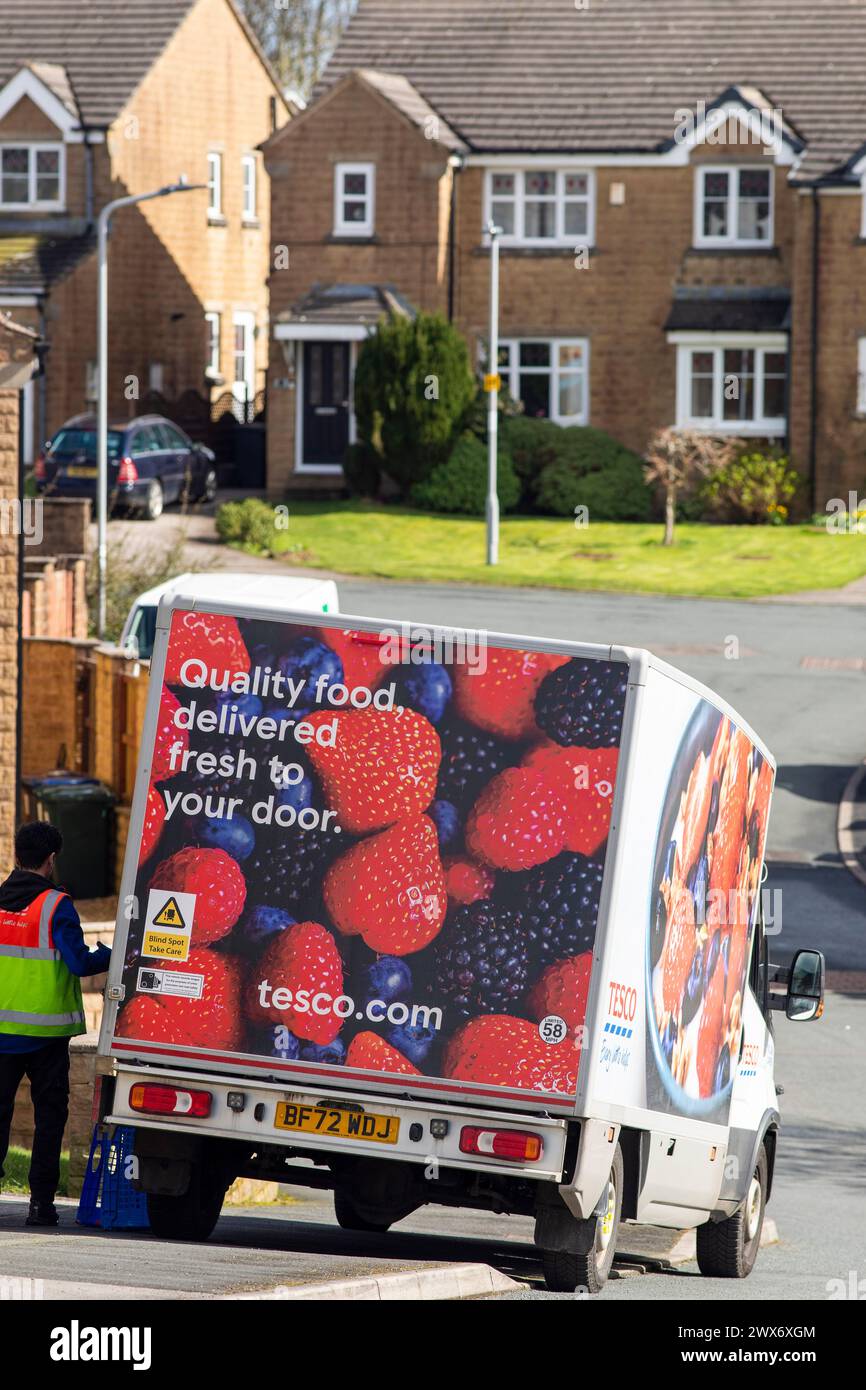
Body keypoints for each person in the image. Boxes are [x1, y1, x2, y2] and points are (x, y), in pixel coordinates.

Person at [0, 822, 110, 1226]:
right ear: (51, 859)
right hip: (45, 1038)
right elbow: (80, 963)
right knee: (49, 1121)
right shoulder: (55, 906)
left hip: (1, 1036)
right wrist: (110, 957)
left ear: (17, 857)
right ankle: (40, 1205)